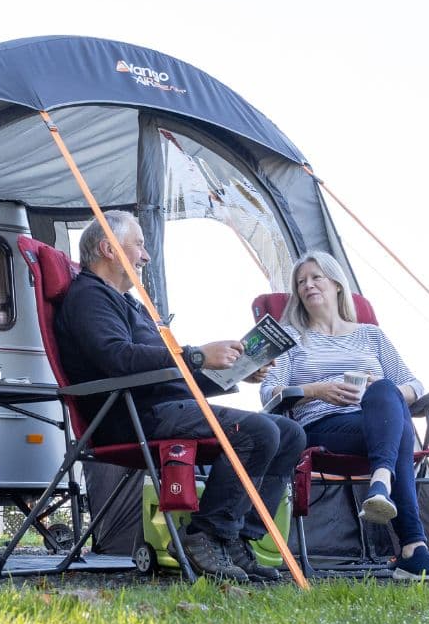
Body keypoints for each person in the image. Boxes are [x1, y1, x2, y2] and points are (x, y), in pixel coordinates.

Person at [55, 211, 306, 583]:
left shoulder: (129, 304)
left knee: (290, 434)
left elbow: (169, 374)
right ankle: (205, 535)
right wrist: (197, 355)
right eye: (138, 244)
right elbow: (118, 359)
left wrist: (229, 374)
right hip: (129, 415)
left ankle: (237, 539)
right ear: (109, 249)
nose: (145, 256)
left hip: (162, 407)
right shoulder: (90, 297)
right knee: (257, 433)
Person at [261, 250, 429, 581]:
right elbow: (269, 393)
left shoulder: (371, 335)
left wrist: (383, 389)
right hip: (321, 427)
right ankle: (413, 548)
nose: (308, 285)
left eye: (316, 277)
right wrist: (316, 389)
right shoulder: (290, 337)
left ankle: (382, 483)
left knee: (385, 391)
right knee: (399, 433)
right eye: (300, 281)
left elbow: (413, 384)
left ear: (337, 284)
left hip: (375, 425)